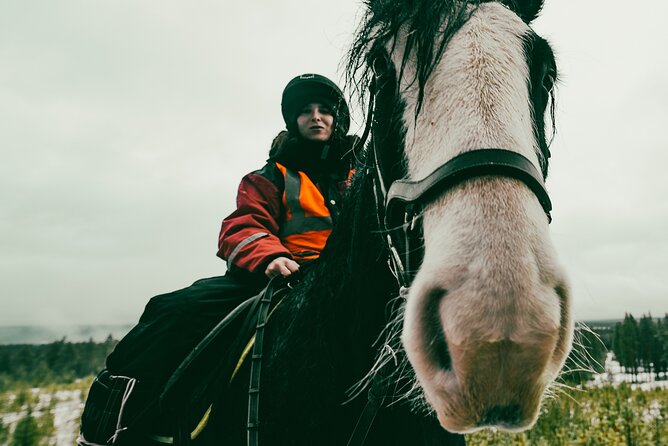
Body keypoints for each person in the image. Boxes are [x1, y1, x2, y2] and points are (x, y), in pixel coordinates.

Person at [79, 73, 358, 445]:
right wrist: (271, 256)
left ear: (337, 119)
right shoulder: (271, 175)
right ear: (293, 120)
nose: (316, 117)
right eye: (305, 111)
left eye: (325, 110)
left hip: (353, 279)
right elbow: (242, 226)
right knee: (170, 310)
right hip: (281, 276)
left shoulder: (363, 173)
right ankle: (116, 425)